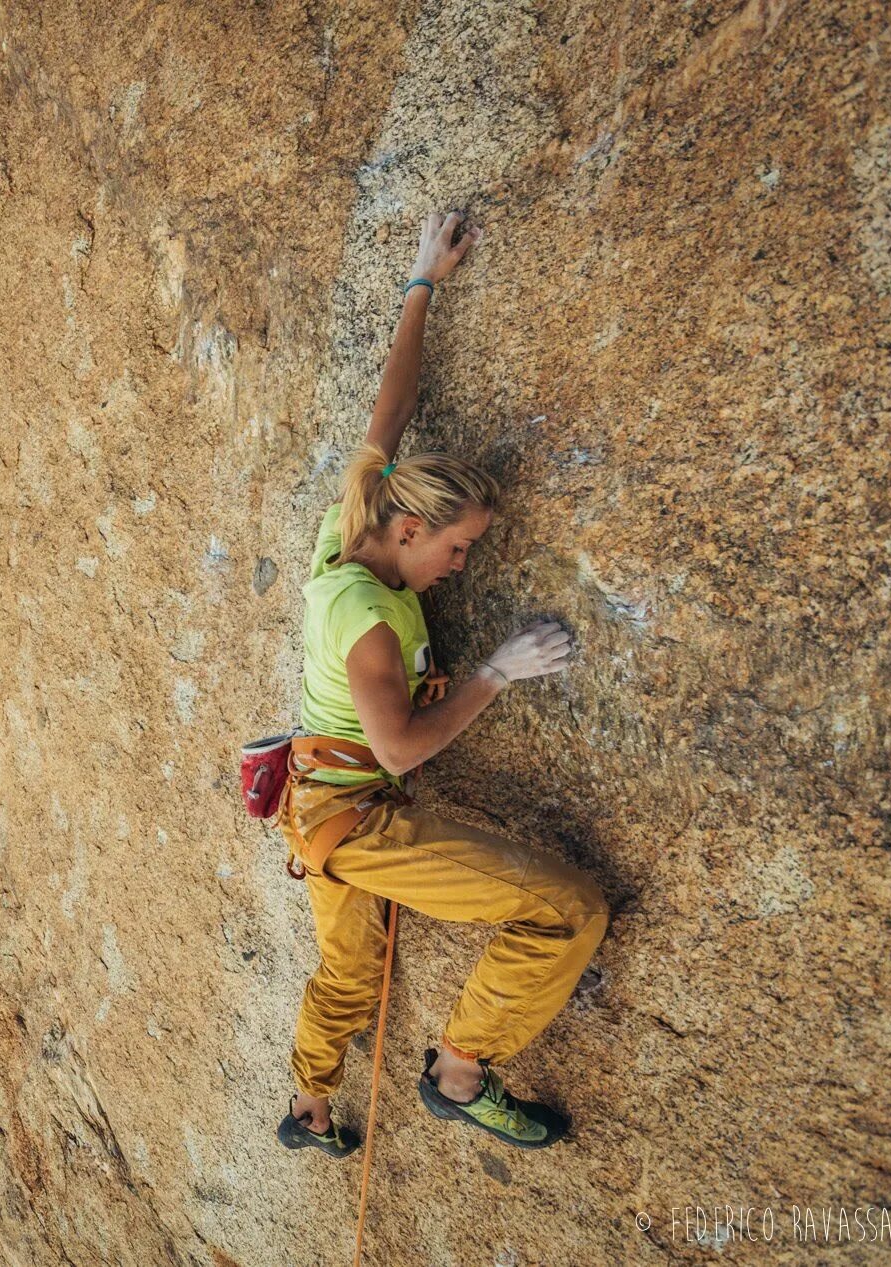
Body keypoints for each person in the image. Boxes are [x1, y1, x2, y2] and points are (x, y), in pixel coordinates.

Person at [275, 211, 610, 1155]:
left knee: (351, 970)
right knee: (568, 907)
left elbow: (389, 412)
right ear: (413, 531)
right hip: (357, 813)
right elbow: (400, 747)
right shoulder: (371, 619)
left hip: (317, 807)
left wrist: (423, 282)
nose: (460, 565)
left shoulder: (354, 530)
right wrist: (501, 671)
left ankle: (308, 1098)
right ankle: (461, 1073)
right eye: (458, 547)